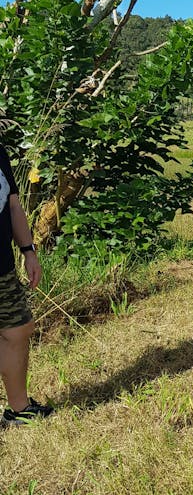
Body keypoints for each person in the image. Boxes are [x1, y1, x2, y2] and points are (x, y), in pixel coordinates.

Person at [0, 144, 53, 426]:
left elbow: (13, 205)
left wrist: (28, 251)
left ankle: (19, 409)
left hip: (2, 266)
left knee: (18, 328)